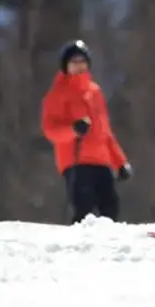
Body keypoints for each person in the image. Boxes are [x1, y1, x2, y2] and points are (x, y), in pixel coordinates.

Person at [41, 40, 133, 223]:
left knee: (111, 208)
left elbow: (105, 132)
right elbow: (50, 130)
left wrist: (120, 162)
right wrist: (73, 130)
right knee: (84, 209)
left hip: (101, 160)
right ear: (65, 65)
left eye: (82, 61)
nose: (79, 65)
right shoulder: (58, 93)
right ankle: (80, 240)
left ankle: (109, 241)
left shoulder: (95, 92)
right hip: (76, 160)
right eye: (74, 61)